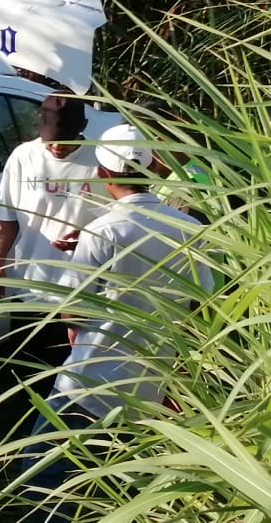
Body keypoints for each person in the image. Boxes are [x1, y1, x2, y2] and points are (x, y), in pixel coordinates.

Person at [19, 124, 214, 522]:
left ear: (103, 174)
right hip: (152, 380)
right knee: (121, 479)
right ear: (149, 170)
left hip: (91, 379)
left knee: (42, 475)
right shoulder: (189, 229)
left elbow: (75, 309)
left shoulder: (103, 230)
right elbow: (200, 302)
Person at [0, 94, 101, 308]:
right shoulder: (23, 157)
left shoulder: (100, 161)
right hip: (30, 286)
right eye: (51, 140)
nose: (57, 147)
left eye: (65, 140)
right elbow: (7, 218)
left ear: (83, 126)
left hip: (83, 289)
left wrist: (84, 236)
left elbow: (118, 221)